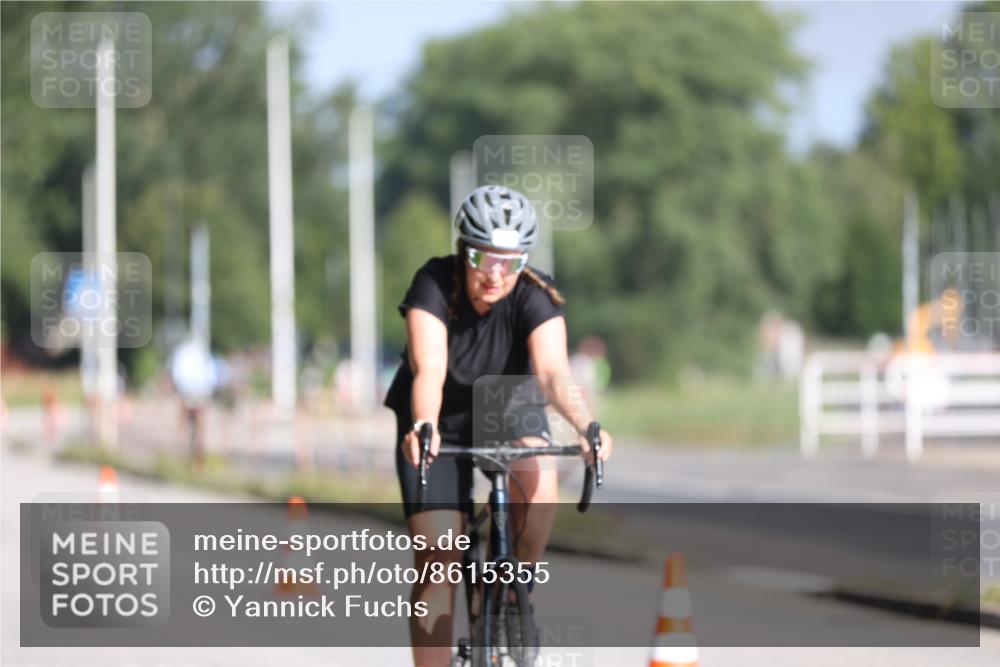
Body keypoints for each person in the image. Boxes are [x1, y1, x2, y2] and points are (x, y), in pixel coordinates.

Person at [383, 184, 614, 667]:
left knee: (540, 483)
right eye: (483, 258)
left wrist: (588, 427)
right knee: (439, 557)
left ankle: (512, 588)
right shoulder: (433, 283)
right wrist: (424, 425)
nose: (495, 274)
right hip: (436, 418)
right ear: (464, 249)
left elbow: (553, 372)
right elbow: (430, 369)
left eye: (508, 262)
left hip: (505, 409)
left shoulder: (534, 295)